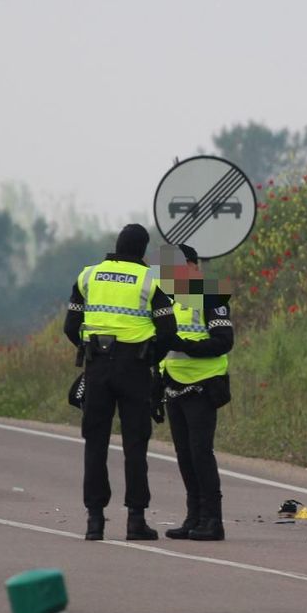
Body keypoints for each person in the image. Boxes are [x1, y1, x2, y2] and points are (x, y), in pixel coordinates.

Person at [63, 223, 177, 541]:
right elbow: (168, 331)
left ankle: (94, 521)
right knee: (135, 445)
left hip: (97, 366)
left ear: (116, 243)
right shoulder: (149, 280)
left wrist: (88, 351)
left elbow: (71, 325)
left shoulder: (88, 276)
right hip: (134, 369)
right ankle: (135, 520)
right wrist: (150, 357)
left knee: (95, 444)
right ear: (142, 250)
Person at [160, 244, 234, 541]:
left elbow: (223, 341)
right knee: (184, 454)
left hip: (204, 383)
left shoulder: (212, 294)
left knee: (201, 452)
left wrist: (184, 345)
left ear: (192, 266)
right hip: (174, 384)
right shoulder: (170, 299)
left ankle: (213, 520)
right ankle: (193, 516)